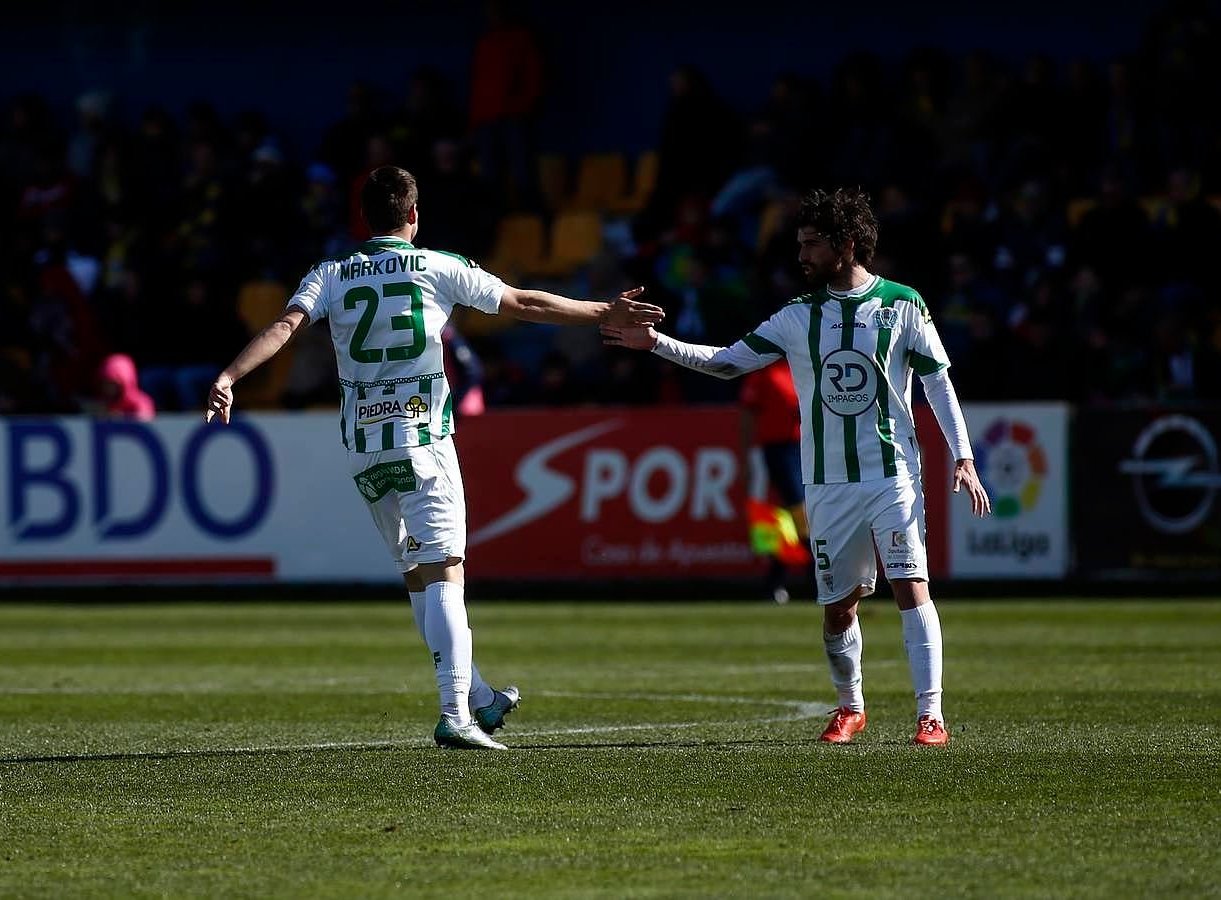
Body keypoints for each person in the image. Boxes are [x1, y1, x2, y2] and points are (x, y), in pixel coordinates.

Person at [205, 166, 663, 750]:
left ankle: (479, 697)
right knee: (447, 569)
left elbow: (284, 326)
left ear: (363, 219)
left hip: (366, 452)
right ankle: (456, 715)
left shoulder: (332, 272)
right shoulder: (437, 266)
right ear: (414, 216)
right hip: (422, 439)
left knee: (421, 578)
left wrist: (229, 375)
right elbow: (522, 301)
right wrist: (603, 312)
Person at [603, 187, 990, 746]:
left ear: (846, 245)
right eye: (800, 244)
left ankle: (931, 716)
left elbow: (937, 382)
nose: (801, 255)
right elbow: (726, 363)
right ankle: (850, 707)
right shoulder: (796, 317)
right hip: (828, 482)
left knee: (912, 586)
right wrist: (657, 343)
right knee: (838, 609)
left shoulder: (904, 303)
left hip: (892, 474)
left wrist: (964, 457)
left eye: (811, 244)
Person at [738, 360, 808, 603]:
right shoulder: (763, 373)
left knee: (790, 518)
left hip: (805, 449)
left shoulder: (803, 366)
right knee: (800, 512)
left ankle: (775, 581)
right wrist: (745, 455)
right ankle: (819, 578)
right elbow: (748, 413)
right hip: (777, 450)